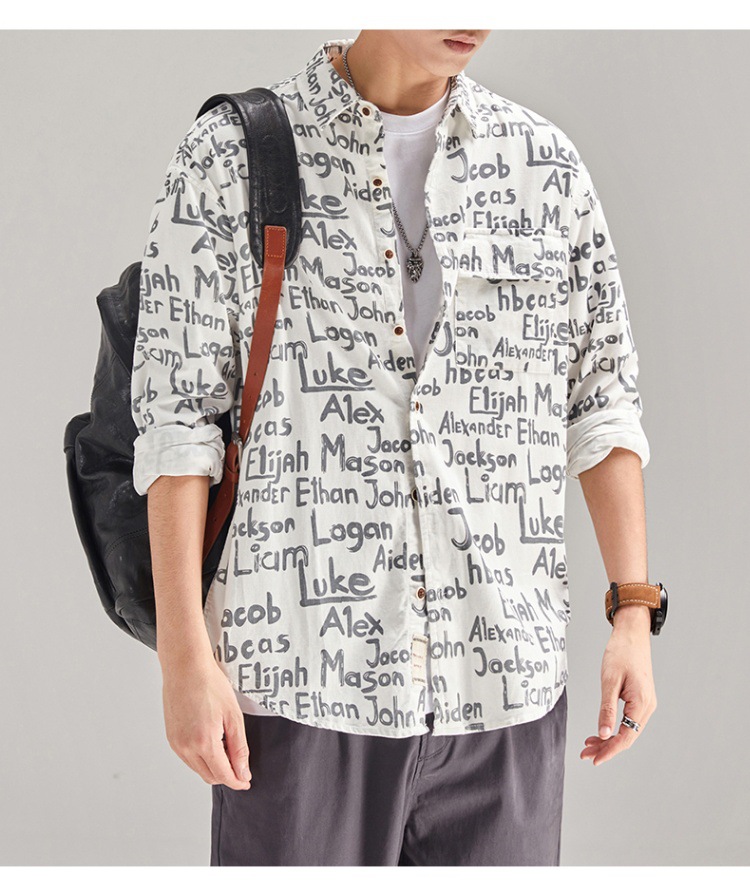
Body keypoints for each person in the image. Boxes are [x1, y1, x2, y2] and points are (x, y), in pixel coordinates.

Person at [130, 30, 659, 866]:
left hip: (505, 684)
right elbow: (177, 423)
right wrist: (182, 658)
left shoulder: (544, 168)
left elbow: (602, 398)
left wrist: (633, 612)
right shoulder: (230, 158)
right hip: (303, 684)